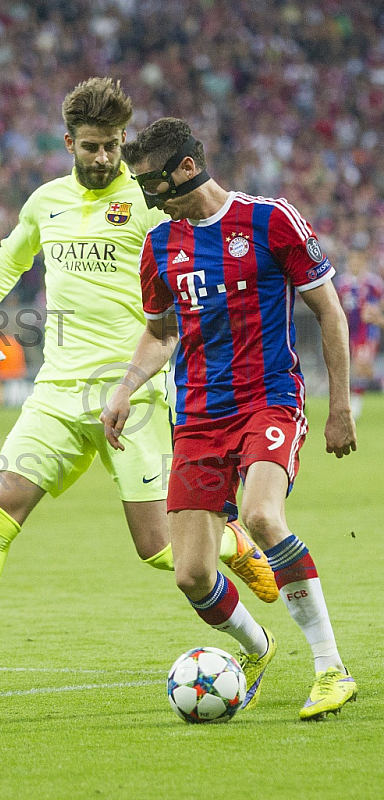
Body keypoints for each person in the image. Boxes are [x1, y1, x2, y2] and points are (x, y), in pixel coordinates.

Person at [0, 80, 276, 701]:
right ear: (68, 143)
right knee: (2, 504)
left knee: (157, 549)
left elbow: (200, 252)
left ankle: (233, 557)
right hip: (56, 394)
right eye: (92, 147)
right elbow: (11, 255)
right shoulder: (46, 202)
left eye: (113, 146)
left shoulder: (146, 203)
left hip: (131, 398)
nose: (104, 158)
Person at [101, 117, 358, 721]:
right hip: (195, 418)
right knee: (191, 574)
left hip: (268, 400)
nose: (147, 199)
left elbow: (330, 311)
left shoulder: (271, 220)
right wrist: (124, 390)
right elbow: (161, 335)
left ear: (186, 168)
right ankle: (257, 647)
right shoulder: (161, 246)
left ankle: (330, 669)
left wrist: (339, 404)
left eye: (151, 186)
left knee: (261, 516)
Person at [336, 248, 384, 419]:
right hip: (348, 330)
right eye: (352, 260)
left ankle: (354, 408)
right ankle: (379, 380)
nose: (354, 263)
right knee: (361, 369)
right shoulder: (342, 283)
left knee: (360, 367)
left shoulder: (373, 283)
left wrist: (376, 315)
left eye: (357, 260)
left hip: (367, 331)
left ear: (363, 261)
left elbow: (379, 304)